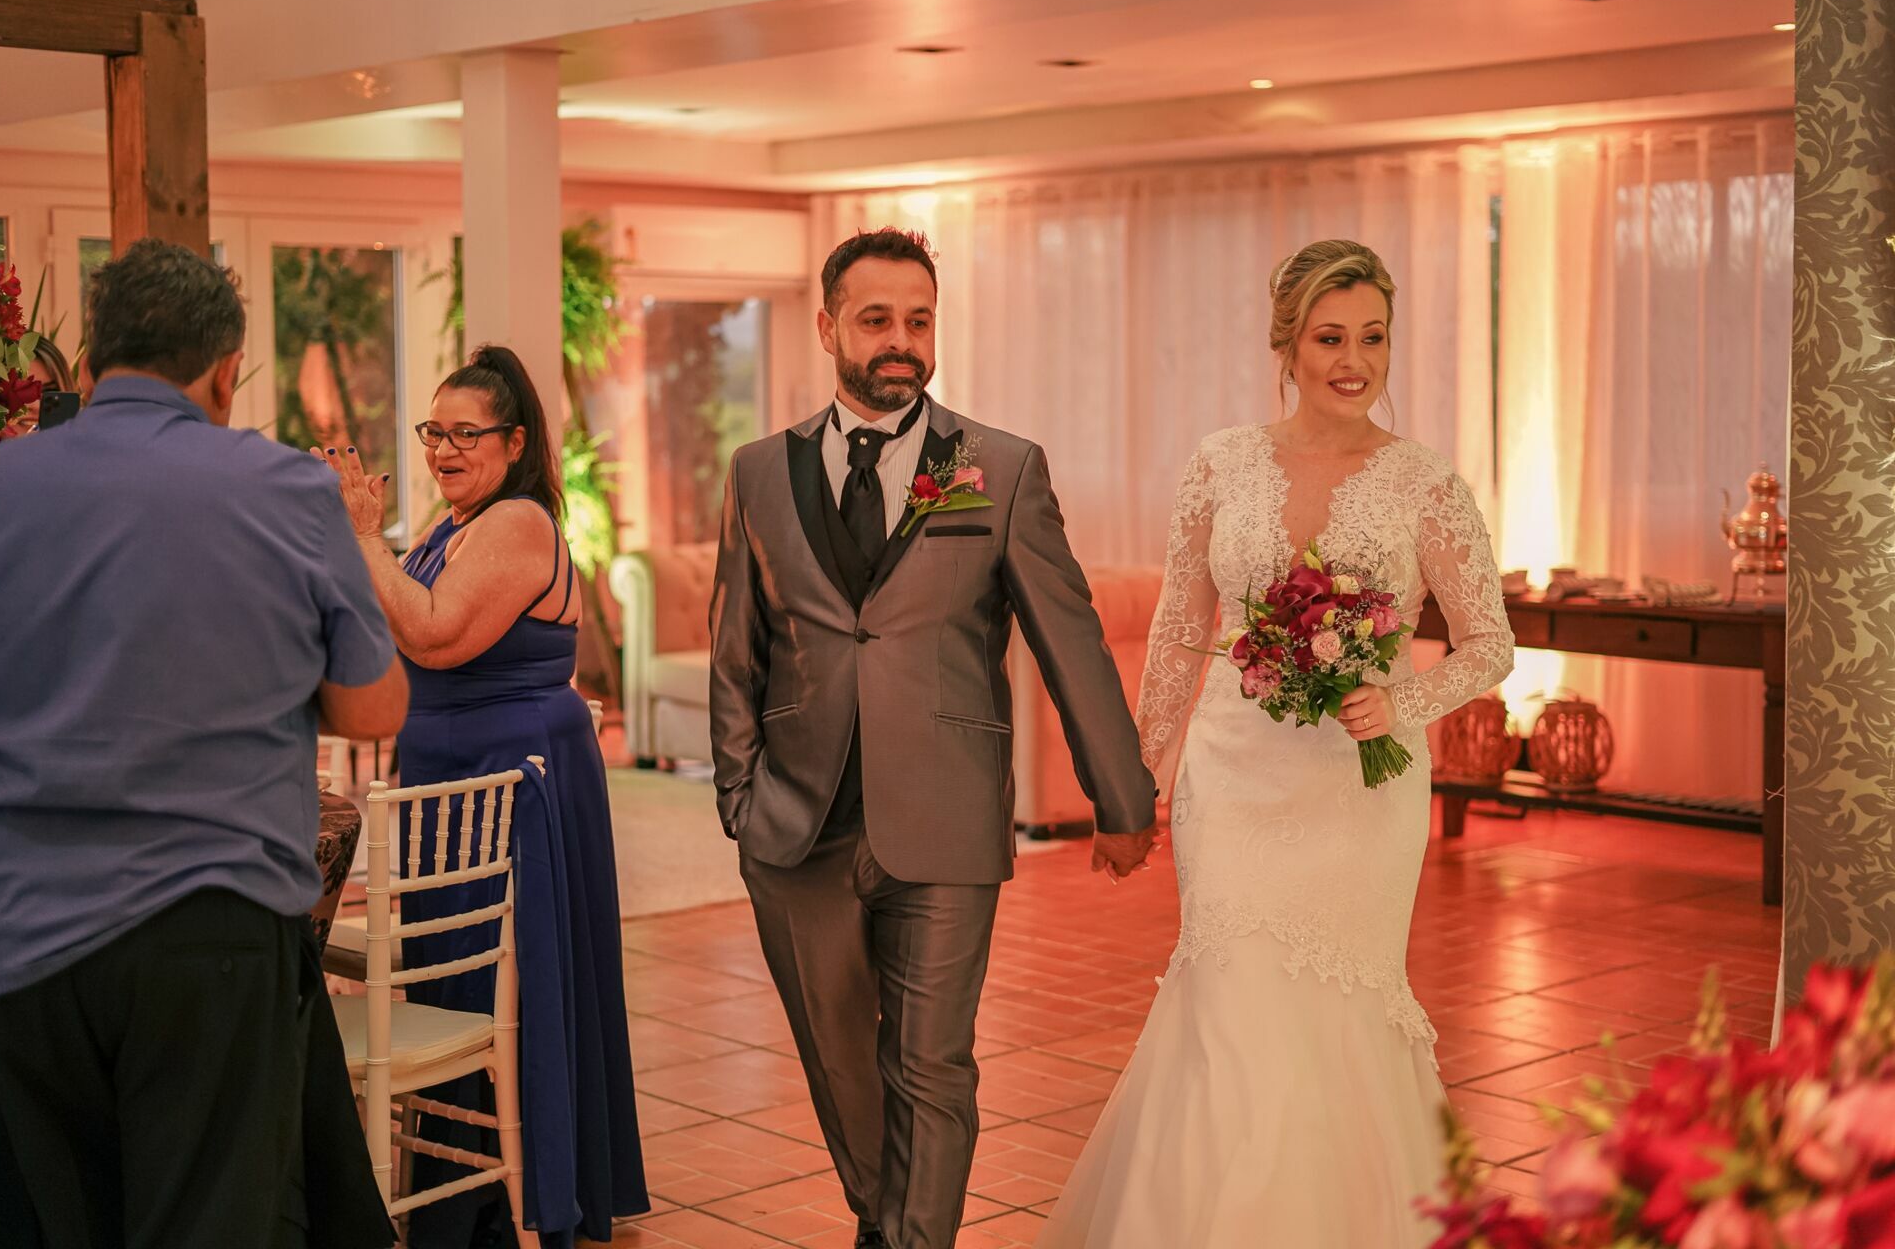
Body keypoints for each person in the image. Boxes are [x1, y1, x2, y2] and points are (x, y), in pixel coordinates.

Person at [1035, 239, 1516, 1247]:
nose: (1354, 358)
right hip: (1233, 779)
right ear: (1287, 345)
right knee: (1229, 998)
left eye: (1373, 337)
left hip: (1359, 790)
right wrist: (1138, 789)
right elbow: (1176, 633)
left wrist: (1406, 702)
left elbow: (1490, 643)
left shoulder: (1426, 483)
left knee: (1341, 1009)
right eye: (1329, 336)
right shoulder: (1221, 462)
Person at [708, 228, 1158, 1249]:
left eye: (920, 319)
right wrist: (739, 798)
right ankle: (890, 1220)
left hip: (946, 818)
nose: (901, 341)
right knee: (839, 1060)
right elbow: (735, 649)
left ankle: (910, 1238)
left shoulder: (999, 468)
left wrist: (1120, 795)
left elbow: (1071, 639)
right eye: (877, 319)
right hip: (793, 820)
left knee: (933, 1064)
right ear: (828, 327)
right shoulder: (757, 473)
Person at [0, 237, 407, 1248]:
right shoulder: (287, 489)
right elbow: (373, 708)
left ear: (86, 364)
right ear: (225, 371)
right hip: (204, 928)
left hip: (16, 926)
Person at [317, 344, 648, 1248]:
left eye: (467, 434)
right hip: (452, 783)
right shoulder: (451, 524)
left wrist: (358, 535)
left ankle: (511, 1192)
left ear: (515, 443)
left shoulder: (518, 524)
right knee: (452, 975)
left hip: (512, 783)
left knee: (496, 976)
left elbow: (433, 634)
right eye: (435, 431)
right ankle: (459, 1187)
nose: (444, 450)